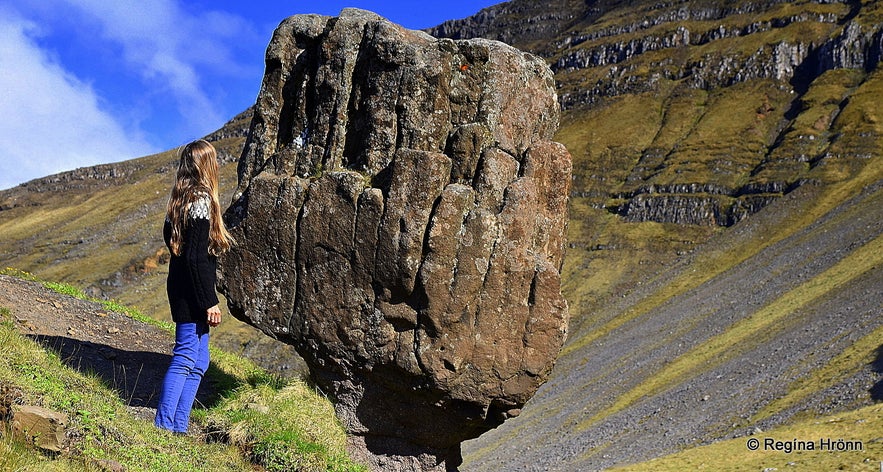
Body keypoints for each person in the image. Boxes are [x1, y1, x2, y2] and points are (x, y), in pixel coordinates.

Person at [155, 139, 233, 434]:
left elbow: (176, 245)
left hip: (182, 285)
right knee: (187, 355)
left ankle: (178, 426)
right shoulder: (200, 199)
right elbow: (195, 256)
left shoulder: (179, 199)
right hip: (192, 290)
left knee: (200, 360)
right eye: (213, 159)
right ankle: (164, 426)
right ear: (205, 165)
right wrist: (208, 300)